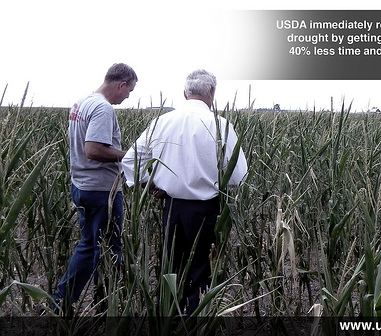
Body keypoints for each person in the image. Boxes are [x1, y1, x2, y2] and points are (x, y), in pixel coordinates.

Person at [122, 69, 247, 316]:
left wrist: (152, 184)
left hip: (172, 207)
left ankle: (168, 320)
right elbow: (238, 175)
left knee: (172, 267)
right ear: (212, 92)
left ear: (185, 93)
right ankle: (195, 320)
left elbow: (131, 160)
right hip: (206, 209)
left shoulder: (162, 121)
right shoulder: (219, 125)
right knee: (201, 269)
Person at [52, 63, 138, 315]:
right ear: (121, 84)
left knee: (92, 245)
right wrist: (130, 156)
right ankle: (71, 303)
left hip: (81, 185)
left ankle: (97, 302)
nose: (128, 96)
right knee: (102, 248)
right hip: (100, 190)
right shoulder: (102, 108)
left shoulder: (82, 102)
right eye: (129, 90)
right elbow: (93, 150)